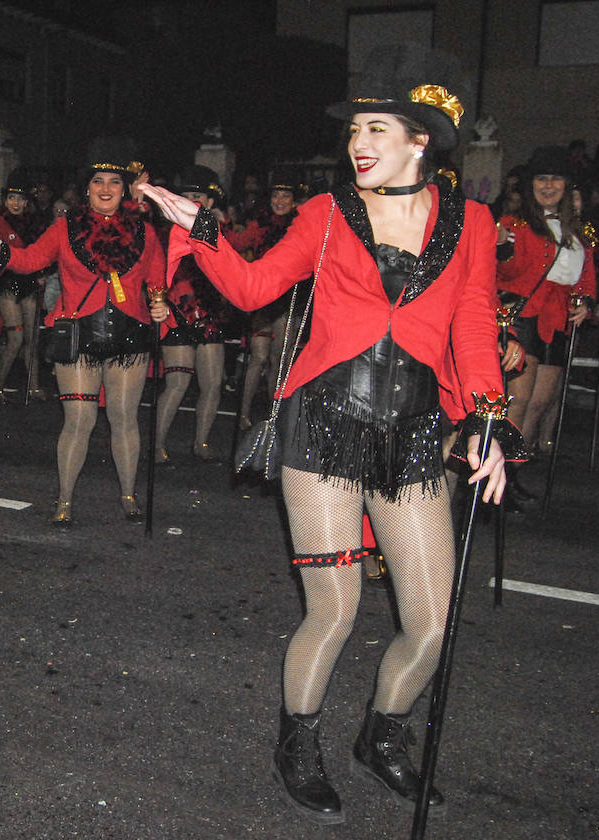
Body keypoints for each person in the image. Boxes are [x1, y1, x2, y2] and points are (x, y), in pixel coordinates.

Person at [142, 52, 519, 823]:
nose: (358, 142)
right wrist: (204, 231)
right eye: (354, 129)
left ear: (422, 141)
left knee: (432, 620)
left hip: (415, 433)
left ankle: (382, 737)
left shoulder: (471, 223)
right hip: (321, 426)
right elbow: (251, 288)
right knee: (336, 608)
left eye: (376, 127)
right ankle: (298, 743)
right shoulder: (325, 213)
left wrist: (488, 425)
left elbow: (475, 322)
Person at [0, 161, 170, 524]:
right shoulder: (65, 229)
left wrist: (159, 302)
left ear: (124, 191)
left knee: (125, 418)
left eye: (113, 182)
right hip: (77, 333)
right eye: (97, 182)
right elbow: (29, 261)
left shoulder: (146, 232)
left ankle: (128, 494)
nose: (105, 188)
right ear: (86, 189)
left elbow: (156, 277)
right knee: (79, 420)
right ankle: (64, 500)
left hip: (129, 334)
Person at [496, 146, 597, 456]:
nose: (548, 186)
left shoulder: (579, 231)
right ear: (531, 185)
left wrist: (586, 303)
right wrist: (502, 249)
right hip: (523, 317)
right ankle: (495, 481)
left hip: (557, 321)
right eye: (541, 179)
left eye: (555, 179)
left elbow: (586, 277)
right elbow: (504, 271)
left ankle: (513, 472)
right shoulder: (514, 224)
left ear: (566, 186)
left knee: (540, 404)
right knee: (519, 401)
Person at [154, 167, 234, 463]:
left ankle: (201, 441)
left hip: (210, 312)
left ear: (210, 202)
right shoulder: (165, 232)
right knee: (177, 383)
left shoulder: (221, 233)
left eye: (197, 196)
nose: (190, 200)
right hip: (176, 312)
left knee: (213, 383)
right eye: (185, 195)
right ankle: (157, 443)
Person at [237, 177, 300, 429]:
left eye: (286, 196)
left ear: (294, 201)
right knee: (258, 357)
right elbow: (237, 243)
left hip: (288, 300)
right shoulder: (258, 225)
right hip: (264, 298)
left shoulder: (299, 227)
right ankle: (243, 413)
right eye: (276, 196)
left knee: (278, 360)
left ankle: (274, 415)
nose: (280, 201)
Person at [0, 177, 49, 402]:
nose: (15, 203)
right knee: (16, 339)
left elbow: (42, 254)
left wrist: (40, 274)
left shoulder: (36, 224)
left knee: (32, 339)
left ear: (27, 202)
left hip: (29, 282)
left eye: (20, 199)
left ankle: (33, 387)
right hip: (6, 283)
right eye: (11, 198)